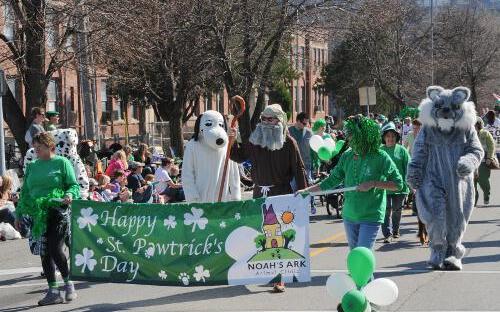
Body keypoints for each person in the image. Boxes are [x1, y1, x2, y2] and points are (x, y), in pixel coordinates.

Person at [230, 103, 307, 293]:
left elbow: (299, 169)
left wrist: (305, 196)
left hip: (281, 193)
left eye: (270, 119)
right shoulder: (255, 140)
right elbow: (238, 156)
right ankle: (266, 272)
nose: (265, 122)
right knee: (262, 235)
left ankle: (279, 278)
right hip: (259, 193)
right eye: (263, 119)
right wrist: (231, 141)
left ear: (279, 121)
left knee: (277, 237)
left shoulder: (289, 143)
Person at [298, 115, 403, 251]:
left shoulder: (380, 156)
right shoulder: (347, 156)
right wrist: (307, 191)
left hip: (371, 215)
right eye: (349, 135)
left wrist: (373, 183)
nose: (349, 139)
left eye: (353, 135)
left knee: (362, 255)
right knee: (355, 258)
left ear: (363, 135)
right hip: (349, 216)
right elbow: (331, 180)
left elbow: (398, 184)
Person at [14, 132, 80, 306]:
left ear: (51, 147)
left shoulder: (62, 162)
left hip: (58, 211)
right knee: (44, 252)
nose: (36, 151)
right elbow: (26, 192)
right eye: (35, 147)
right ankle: (53, 291)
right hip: (38, 213)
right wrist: (19, 213)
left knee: (55, 249)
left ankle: (68, 284)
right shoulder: (33, 166)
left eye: (40, 148)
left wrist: (69, 194)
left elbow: (73, 185)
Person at [380, 122, 411, 243]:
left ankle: (396, 230)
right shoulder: (380, 151)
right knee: (386, 210)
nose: (390, 138)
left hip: (400, 187)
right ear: (384, 138)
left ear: (396, 138)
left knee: (397, 210)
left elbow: (409, 167)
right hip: (384, 187)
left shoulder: (402, 151)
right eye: (388, 136)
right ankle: (387, 234)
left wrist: (410, 183)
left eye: (393, 136)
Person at [474, 117, 495, 206]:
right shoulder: (467, 134)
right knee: (471, 184)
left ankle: (487, 194)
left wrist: (490, 158)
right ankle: (473, 201)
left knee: (483, 181)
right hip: (472, 163)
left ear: (478, 125)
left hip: (483, 163)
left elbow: (491, 145)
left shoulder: (485, 133)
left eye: (474, 124)